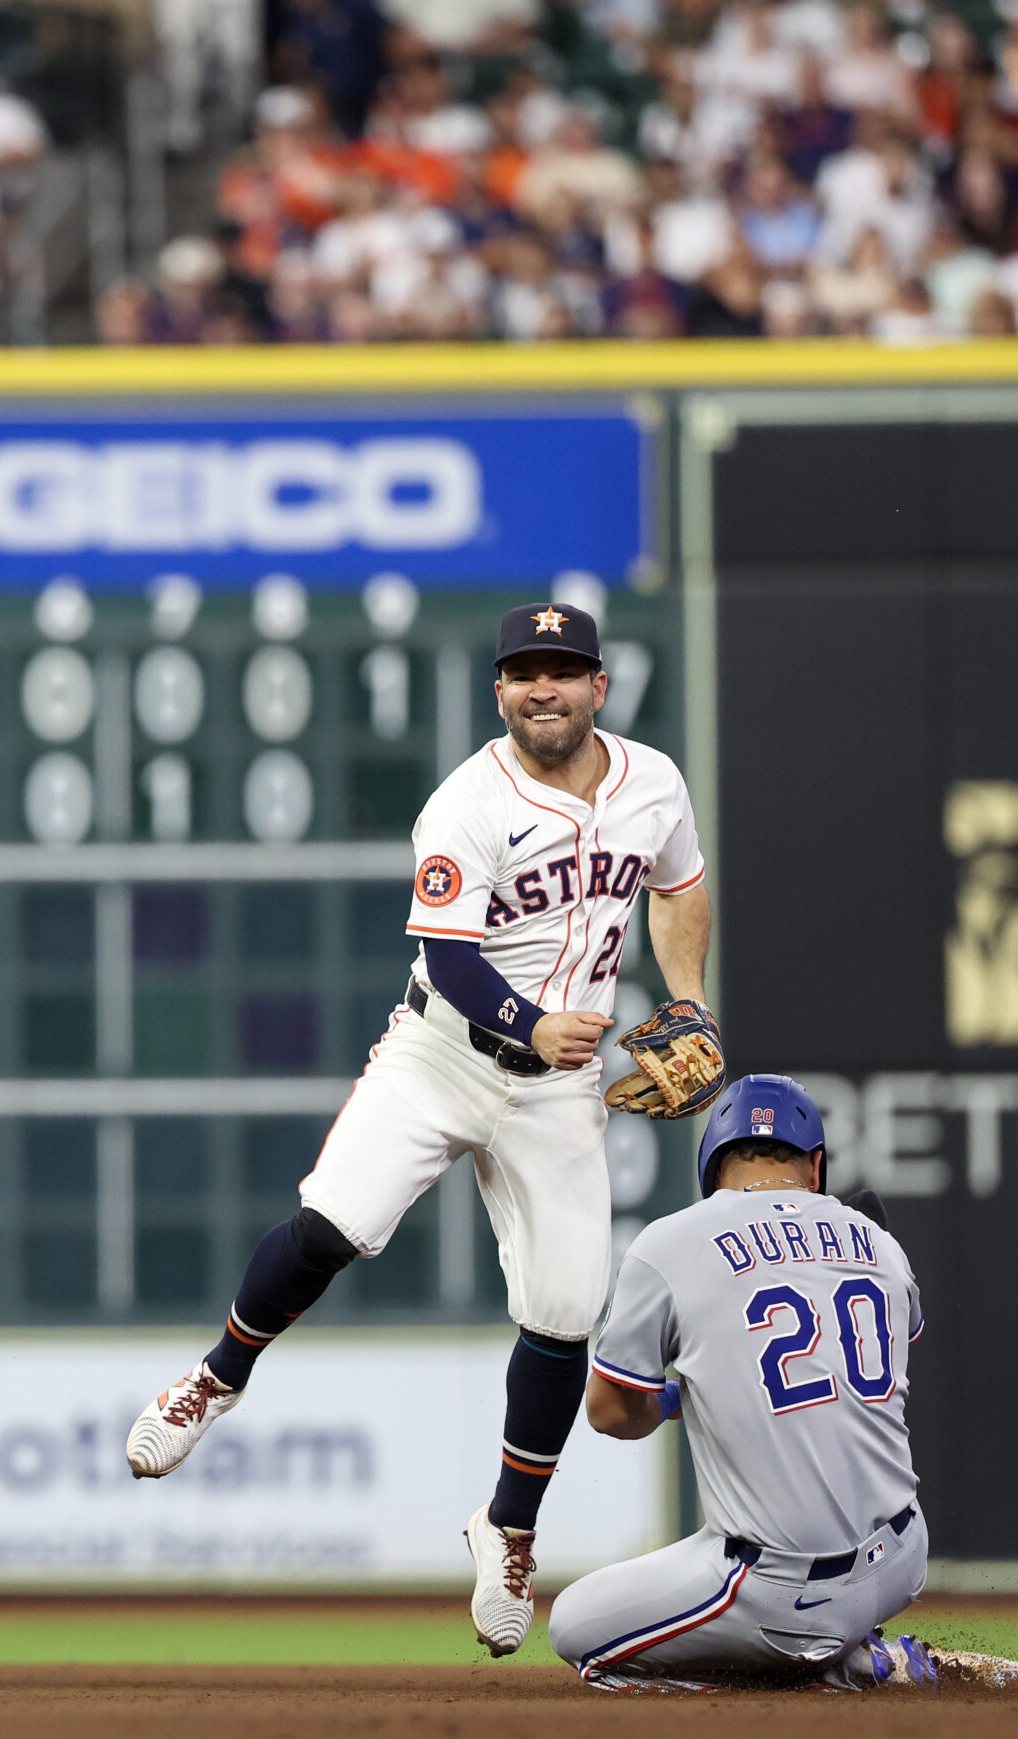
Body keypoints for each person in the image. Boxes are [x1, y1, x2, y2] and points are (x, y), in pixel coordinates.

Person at [127, 599, 715, 1658]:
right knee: (331, 1224)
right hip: (445, 1050)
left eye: (564, 670)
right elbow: (449, 959)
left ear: (600, 687)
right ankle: (214, 1378)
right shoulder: (464, 804)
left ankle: (509, 1529)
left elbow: (679, 885)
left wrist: (689, 998)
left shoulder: (654, 783)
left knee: (565, 1312)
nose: (546, 687)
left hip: (557, 1091)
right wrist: (537, 1022)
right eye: (525, 672)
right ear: (499, 691)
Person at [545, 1076, 1018, 1693]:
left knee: (578, 1631)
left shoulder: (669, 1242)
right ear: (817, 1164)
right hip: (903, 1560)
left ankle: (836, 1669)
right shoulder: (881, 1244)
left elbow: (610, 1413)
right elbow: (865, 1357)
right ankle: (863, 1648)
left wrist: (674, 1396)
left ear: (712, 1161)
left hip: (775, 1588)